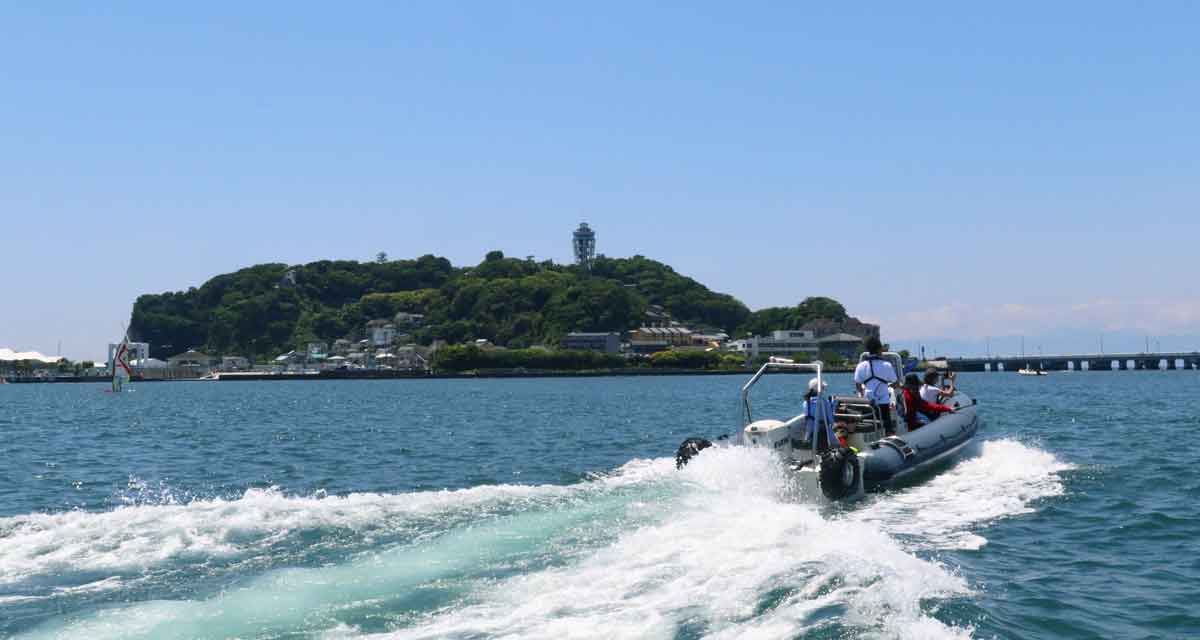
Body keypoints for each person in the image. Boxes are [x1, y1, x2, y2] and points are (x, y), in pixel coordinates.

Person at [853, 336, 898, 435]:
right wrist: (890, 387)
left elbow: (858, 385)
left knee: (869, 428)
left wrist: (863, 393)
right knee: (887, 427)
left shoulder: (861, 366)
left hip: (867, 403)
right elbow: (895, 383)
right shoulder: (886, 365)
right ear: (879, 349)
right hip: (883, 404)